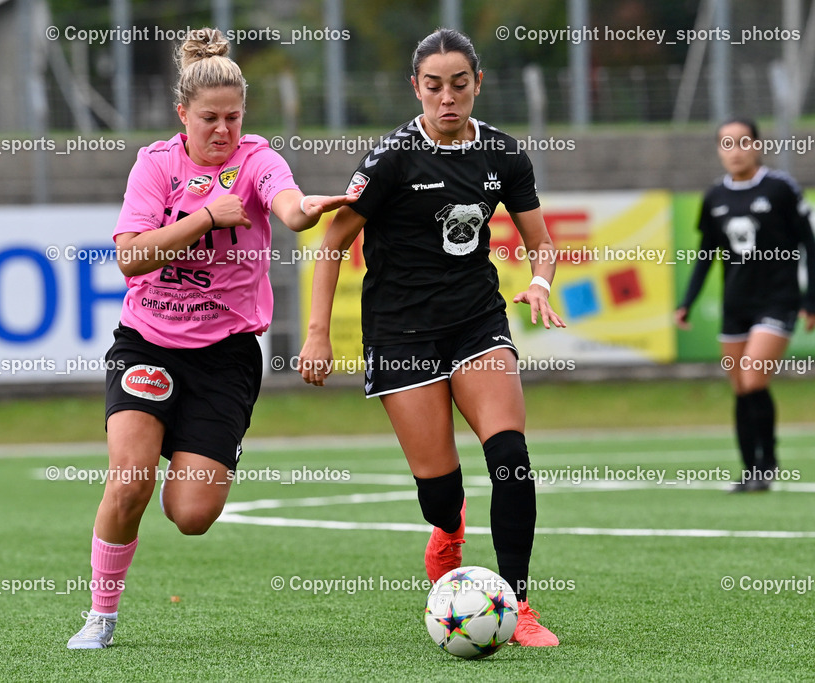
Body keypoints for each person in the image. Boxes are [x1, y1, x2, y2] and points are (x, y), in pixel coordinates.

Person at [67, 28, 356, 649]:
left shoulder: (257, 160)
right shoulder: (156, 164)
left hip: (225, 357)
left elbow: (288, 205)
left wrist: (308, 210)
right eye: (209, 119)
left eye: (233, 117)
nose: (223, 130)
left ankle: (187, 446)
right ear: (183, 114)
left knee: (191, 515)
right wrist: (203, 217)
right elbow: (130, 258)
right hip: (148, 343)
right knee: (130, 480)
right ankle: (101, 615)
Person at [298, 28, 562, 647]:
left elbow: (541, 243)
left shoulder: (503, 154)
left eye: (460, 84)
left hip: (477, 323)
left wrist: (540, 283)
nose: (448, 97)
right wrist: (317, 335)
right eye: (434, 85)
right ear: (415, 87)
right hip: (400, 334)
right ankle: (448, 528)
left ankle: (518, 604)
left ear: (478, 84)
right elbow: (333, 241)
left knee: (511, 459)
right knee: (441, 493)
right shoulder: (390, 159)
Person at [676, 118, 815, 493]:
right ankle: (750, 469)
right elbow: (706, 254)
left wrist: (811, 298)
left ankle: (768, 462)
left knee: (754, 376)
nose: (735, 151)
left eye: (742, 142)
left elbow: (809, 243)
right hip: (736, 304)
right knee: (740, 385)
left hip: (778, 300)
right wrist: (687, 302)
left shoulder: (780, 188)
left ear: (757, 145)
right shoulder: (715, 197)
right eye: (726, 144)